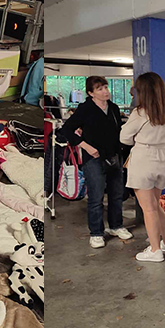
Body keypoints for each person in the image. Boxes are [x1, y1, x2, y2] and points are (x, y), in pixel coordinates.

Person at [60, 77, 133, 249]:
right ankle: (96, 232)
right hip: (93, 158)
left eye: (106, 87)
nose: (105, 91)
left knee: (116, 194)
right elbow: (66, 130)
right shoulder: (85, 109)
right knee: (96, 196)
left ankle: (116, 226)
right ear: (91, 93)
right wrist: (85, 146)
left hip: (114, 156)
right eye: (100, 89)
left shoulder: (114, 108)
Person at [120, 72, 165, 263]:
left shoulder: (139, 113)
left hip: (144, 157)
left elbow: (124, 137)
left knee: (148, 208)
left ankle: (154, 250)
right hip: (163, 158)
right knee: (155, 203)